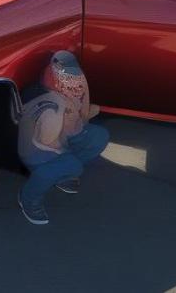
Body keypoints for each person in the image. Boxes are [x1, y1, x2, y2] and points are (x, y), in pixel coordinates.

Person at [17, 51, 109, 226]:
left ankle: (61, 174)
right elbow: (44, 141)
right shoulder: (51, 106)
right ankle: (28, 197)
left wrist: (78, 121)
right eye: (68, 81)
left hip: (63, 136)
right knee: (71, 165)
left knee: (98, 136)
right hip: (38, 149)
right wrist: (64, 154)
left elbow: (83, 114)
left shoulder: (74, 86)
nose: (74, 85)